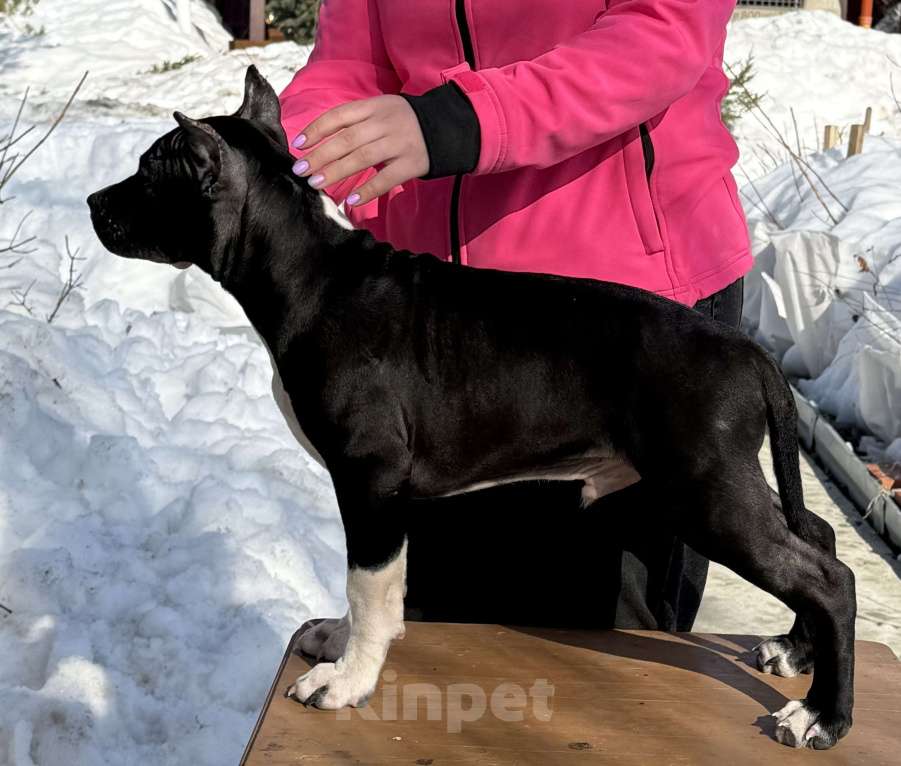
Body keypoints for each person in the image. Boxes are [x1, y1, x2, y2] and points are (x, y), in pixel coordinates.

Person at [278, 0, 751, 632]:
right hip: (438, 323)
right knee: (442, 651)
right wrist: (314, 141)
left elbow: (664, 30)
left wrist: (460, 120)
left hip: (621, 324)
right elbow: (348, 63)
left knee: (602, 665)